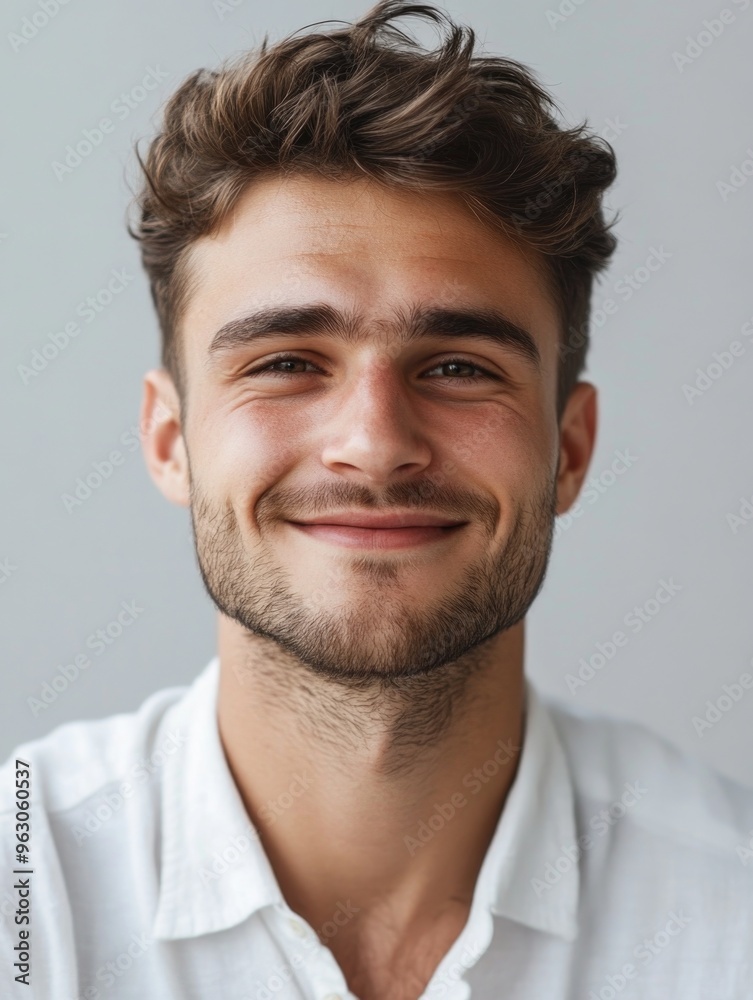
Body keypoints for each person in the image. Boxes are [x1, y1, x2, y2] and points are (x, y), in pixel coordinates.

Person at [2, 2, 752, 998]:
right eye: (285, 361)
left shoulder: (730, 907)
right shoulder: (25, 883)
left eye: (457, 365)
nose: (375, 443)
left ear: (569, 449)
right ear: (169, 439)